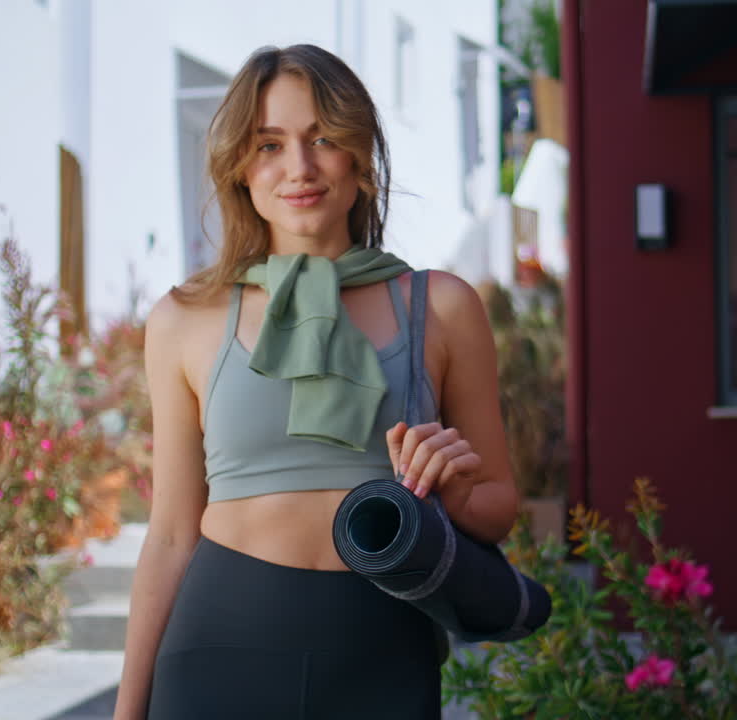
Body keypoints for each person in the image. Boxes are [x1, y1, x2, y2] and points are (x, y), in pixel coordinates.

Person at [111, 44, 518, 720]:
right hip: (217, 647)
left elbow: (499, 507)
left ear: (359, 158)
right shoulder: (184, 319)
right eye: (269, 144)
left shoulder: (441, 307)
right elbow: (172, 533)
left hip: (383, 650)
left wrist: (454, 490)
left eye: (323, 138)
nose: (298, 168)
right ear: (241, 167)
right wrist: (128, 712)